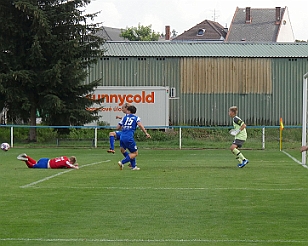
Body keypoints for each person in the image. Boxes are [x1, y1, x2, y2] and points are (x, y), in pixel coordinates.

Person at [116, 105, 151, 170]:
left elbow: (118, 127)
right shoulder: (136, 118)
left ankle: (133, 166)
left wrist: (124, 127)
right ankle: (122, 162)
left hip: (122, 136)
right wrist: (146, 133)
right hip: (129, 137)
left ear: (128, 111)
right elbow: (140, 125)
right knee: (135, 153)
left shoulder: (124, 118)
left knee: (123, 150)